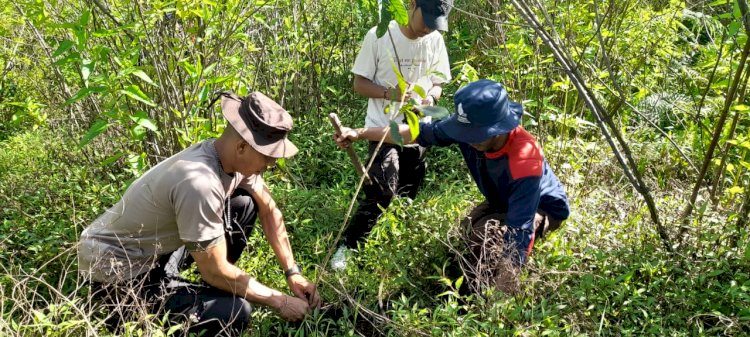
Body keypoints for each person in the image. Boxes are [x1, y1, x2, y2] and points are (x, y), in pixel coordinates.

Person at [78, 92, 321, 336]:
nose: (270, 165)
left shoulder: (228, 157)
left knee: (244, 205)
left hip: (157, 250)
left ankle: (210, 290)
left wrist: (293, 273)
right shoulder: (200, 182)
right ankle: (125, 316)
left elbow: (269, 210)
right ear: (242, 146)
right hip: (117, 274)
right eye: (268, 158)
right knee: (235, 312)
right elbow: (213, 269)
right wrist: (280, 300)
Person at [334, 79, 570, 293]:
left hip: (541, 206)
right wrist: (359, 133)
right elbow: (413, 134)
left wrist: (502, 299)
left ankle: (477, 299)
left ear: (498, 128)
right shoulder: (466, 129)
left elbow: (520, 231)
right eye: (465, 133)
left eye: (476, 136)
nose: (468, 140)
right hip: (502, 198)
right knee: (464, 233)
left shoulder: (524, 160)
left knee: (485, 238)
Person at [331, 0, 453, 271]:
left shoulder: (434, 40)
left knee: (408, 191)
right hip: (381, 127)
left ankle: (393, 247)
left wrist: (428, 98)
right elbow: (359, 84)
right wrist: (391, 94)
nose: (428, 29)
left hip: (418, 129)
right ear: (412, 5)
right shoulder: (379, 35)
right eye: (427, 19)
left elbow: (438, 82)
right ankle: (349, 247)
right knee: (382, 191)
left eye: (436, 24)